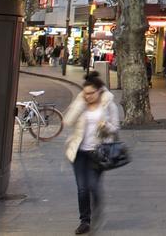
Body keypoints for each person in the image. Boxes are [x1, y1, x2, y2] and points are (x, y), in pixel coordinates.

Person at [63, 71, 120, 235]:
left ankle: (97, 211)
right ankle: (85, 221)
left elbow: (115, 128)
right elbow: (68, 121)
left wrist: (105, 126)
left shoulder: (109, 104)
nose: (88, 96)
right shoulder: (81, 103)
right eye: (85, 93)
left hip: (98, 152)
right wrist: (80, 103)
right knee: (82, 188)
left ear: (100, 91)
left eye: (91, 93)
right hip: (79, 153)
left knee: (93, 186)